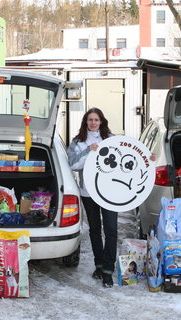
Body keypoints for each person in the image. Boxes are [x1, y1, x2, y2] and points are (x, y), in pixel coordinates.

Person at [67, 107, 117, 288]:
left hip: (110, 192)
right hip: (88, 193)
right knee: (95, 229)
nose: (93, 123)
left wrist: (148, 159)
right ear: (85, 122)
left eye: (96, 119)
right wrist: (89, 149)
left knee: (111, 230)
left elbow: (128, 157)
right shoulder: (78, 141)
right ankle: (99, 265)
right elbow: (72, 164)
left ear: (101, 121)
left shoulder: (112, 139)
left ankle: (109, 270)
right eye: (90, 120)